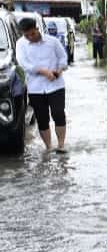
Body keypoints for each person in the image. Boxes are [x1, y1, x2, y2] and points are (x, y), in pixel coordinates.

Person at [16, 17, 69, 152]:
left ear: (37, 29)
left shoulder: (53, 42)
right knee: (42, 118)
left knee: (58, 114)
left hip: (56, 85)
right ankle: (49, 147)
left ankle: (61, 145)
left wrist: (59, 70)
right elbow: (23, 64)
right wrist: (43, 71)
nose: (30, 37)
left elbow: (63, 58)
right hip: (35, 88)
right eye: (26, 35)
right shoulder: (21, 44)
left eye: (32, 34)